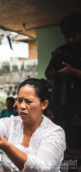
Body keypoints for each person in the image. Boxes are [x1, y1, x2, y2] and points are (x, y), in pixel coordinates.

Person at [0, 78, 66, 171]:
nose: (22, 106)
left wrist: (7, 147)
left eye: (28, 101)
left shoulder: (55, 133)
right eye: (19, 100)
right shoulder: (11, 123)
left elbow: (41, 168)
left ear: (44, 104)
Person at [45, 12, 81, 151]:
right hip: (60, 107)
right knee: (60, 145)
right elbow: (47, 73)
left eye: (75, 35)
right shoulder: (60, 51)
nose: (71, 40)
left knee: (76, 144)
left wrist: (74, 72)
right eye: (67, 36)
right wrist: (52, 73)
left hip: (78, 109)